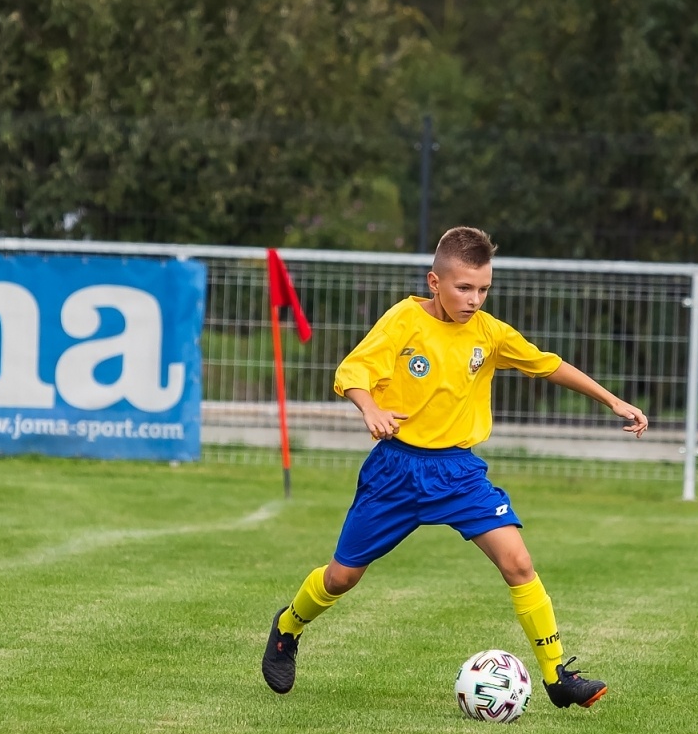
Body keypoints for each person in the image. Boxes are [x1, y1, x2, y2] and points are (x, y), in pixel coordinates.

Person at [262, 226, 649, 707]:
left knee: (519, 563)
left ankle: (557, 679)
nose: (474, 299)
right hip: (396, 472)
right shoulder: (403, 321)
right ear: (434, 282)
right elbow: (352, 373)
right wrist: (370, 409)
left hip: (459, 473)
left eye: (483, 288)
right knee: (342, 577)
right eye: (464, 288)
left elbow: (548, 364)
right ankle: (287, 628)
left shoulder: (488, 333)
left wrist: (613, 401)